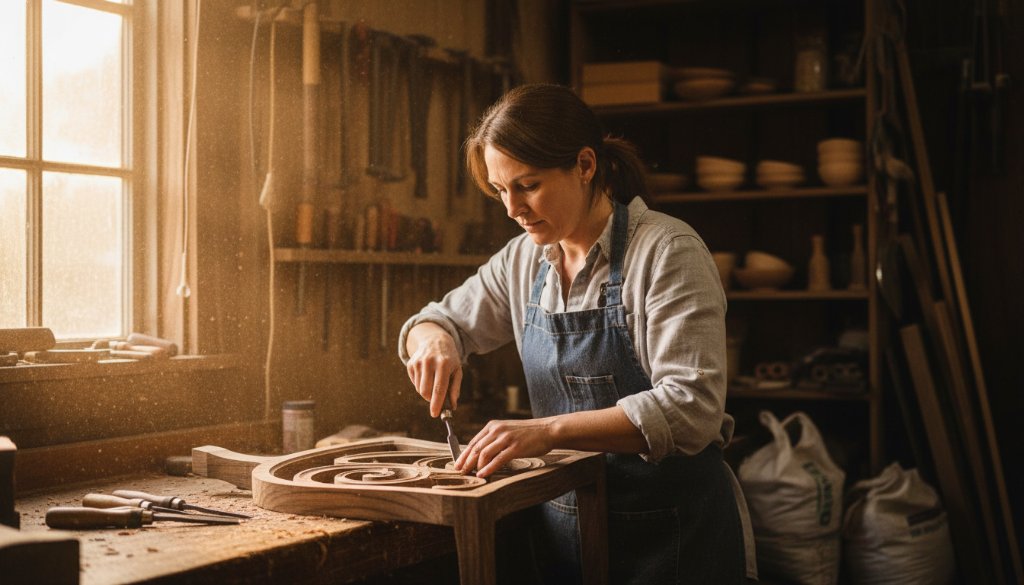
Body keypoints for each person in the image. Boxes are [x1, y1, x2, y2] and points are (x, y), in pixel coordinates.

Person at [399, 83, 755, 585]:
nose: (512, 209)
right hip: (567, 534)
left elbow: (692, 407)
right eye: (501, 190)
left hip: (673, 537)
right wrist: (437, 339)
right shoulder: (523, 259)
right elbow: (435, 320)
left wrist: (547, 432)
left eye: (528, 185)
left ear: (585, 165)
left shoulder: (667, 251)